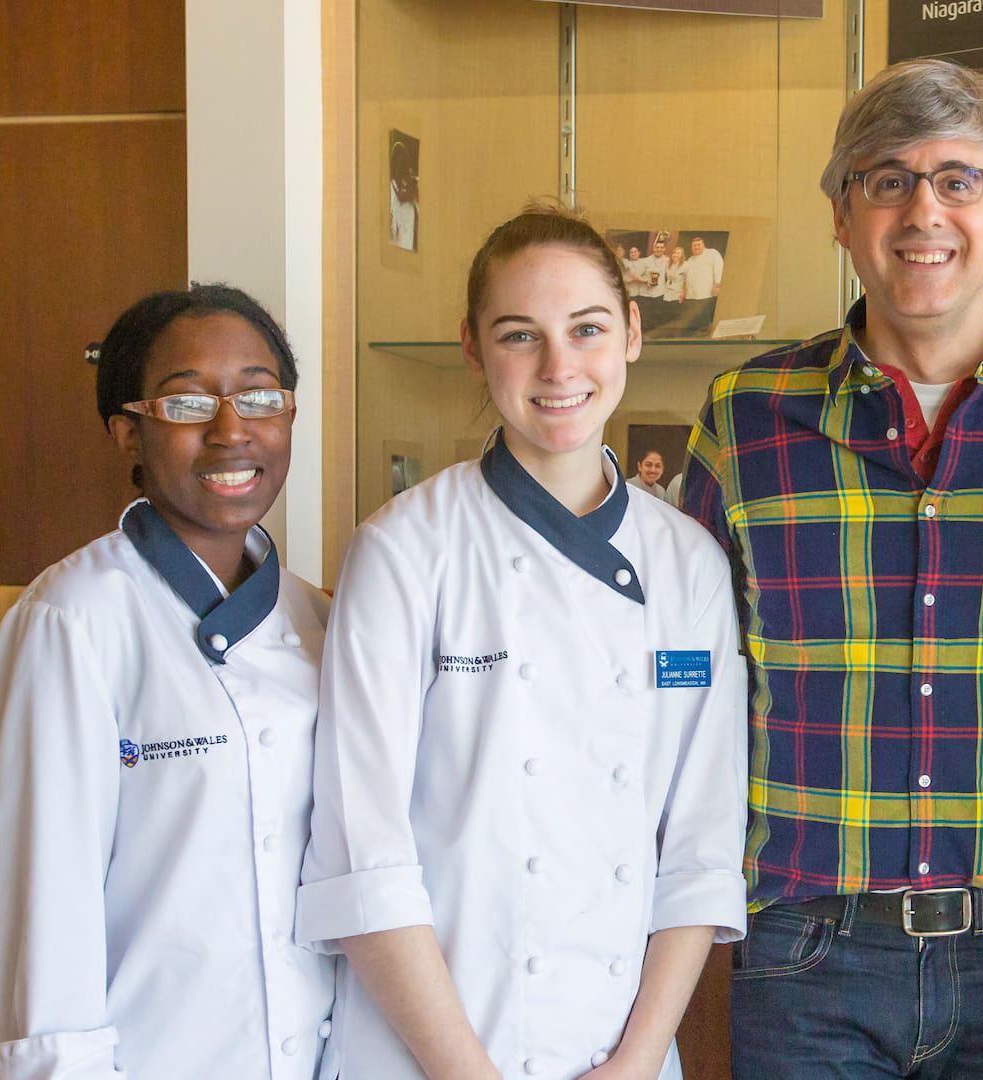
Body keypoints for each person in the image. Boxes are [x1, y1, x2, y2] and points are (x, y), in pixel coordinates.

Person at [679, 59, 983, 1079]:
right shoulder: (744, 419)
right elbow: (689, 689)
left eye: (958, 179)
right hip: (804, 951)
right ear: (842, 218)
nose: (921, 210)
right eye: (886, 179)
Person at [296, 204, 748, 1080]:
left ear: (633, 334)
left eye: (586, 329)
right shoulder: (402, 550)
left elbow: (699, 848)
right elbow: (364, 852)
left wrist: (639, 1060)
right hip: (426, 1050)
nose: (558, 368)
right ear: (471, 347)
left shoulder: (688, 563)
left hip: (624, 1051)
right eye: (519, 335)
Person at [0, 285, 336, 1079]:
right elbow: (45, 919)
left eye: (258, 395)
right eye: (186, 404)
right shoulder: (73, 622)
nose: (232, 429)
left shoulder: (323, 623)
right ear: (127, 434)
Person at [679, 235, 723, 331]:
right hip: (692, 295)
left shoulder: (712, 253)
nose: (696, 247)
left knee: (704, 316)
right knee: (692, 318)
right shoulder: (690, 259)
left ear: (703, 245)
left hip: (707, 292)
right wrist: (684, 291)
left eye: (699, 245)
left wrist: (717, 285)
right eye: (694, 246)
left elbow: (719, 269)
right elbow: (687, 277)